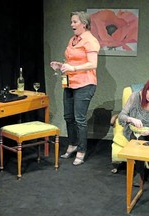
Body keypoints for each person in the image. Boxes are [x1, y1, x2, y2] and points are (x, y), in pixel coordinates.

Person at [50, 11, 100, 166]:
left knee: (79, 119)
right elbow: (71, 60)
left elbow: (93, 64)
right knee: (68, 117)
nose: (71, 25)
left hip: (85, 84)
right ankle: (72, 144)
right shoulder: (73, 39)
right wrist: (62, 65)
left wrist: (72, 68)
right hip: (70, 83)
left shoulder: (90, 40)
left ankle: (82, 150)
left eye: (74, 22)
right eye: (71, 22)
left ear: (83, 24)